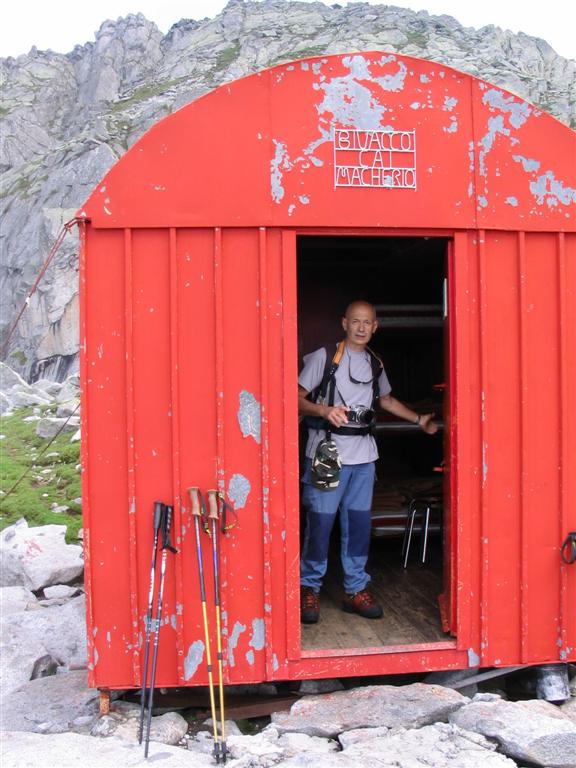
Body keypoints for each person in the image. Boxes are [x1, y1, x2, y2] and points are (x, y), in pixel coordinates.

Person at [298, 300, 438, 623]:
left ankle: (355, 588)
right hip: (327, 455)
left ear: (375, 327)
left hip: (364, 457)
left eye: (367, 323)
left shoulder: (375, 363)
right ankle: (309, 587)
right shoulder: (325, 358)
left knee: (358, 526)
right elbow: (295, 396)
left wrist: (419, 419)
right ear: (344, 323)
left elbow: (385, 399)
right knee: (320, 524)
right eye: (355, 321)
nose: (361, 327)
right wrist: (324, 411)